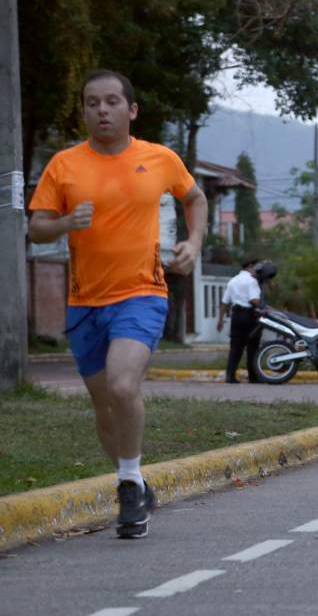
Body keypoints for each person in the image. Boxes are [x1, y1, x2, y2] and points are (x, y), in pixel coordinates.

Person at [27, 70, 207, 538]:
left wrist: (194, 242)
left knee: (123, 384)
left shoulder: (160, 158)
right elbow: (36, 227)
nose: (101, 110)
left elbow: (196, 198)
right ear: (84, 110)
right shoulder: (64, 165)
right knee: (104, 404)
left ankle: (127, 485)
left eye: (111, 102)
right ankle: (135, 477)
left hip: (142, 291)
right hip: (84, 299)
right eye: (91, 103)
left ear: (131, 110)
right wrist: (66, 222)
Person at [217, 258, 263, 383]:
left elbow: (224, 302)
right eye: (256, 268)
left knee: (235, 347)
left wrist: (220, 320)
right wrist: (263, 307)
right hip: (249, 316)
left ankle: (230, 376)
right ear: (250, 266)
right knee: (252, 346)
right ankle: (253, 377)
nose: (257, 271)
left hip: (236, 316)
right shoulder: (252, 281)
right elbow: (254, 300)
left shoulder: (233, 281)